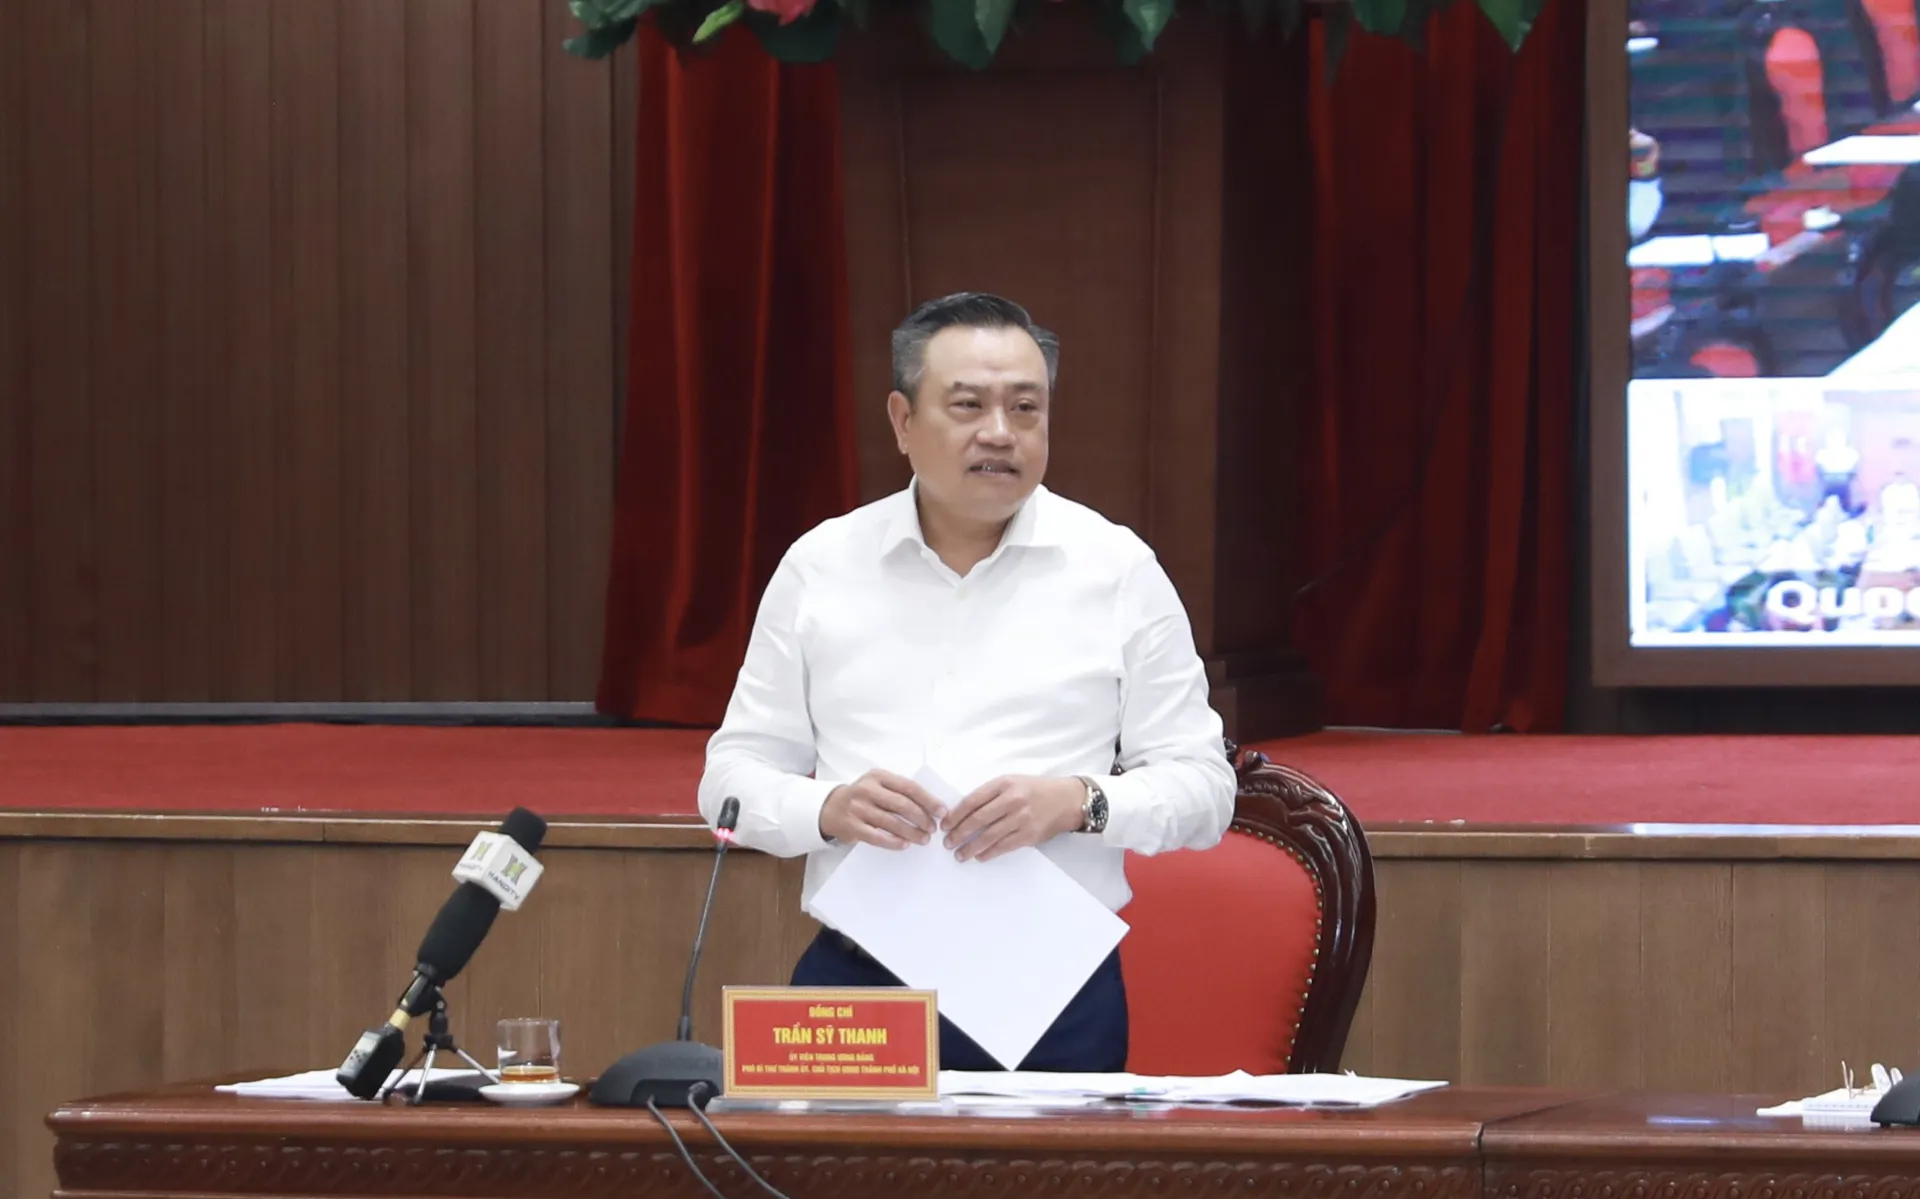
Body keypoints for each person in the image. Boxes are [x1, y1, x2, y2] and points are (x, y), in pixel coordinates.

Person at [696, 291, 1237, 1073]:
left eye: (1026, 407)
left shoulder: (1117, 569)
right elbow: (729, 781)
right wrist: (830, 808)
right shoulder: (822, 566)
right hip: (857, 984)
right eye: (968, 405)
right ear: (902, 421)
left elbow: (1205, 789)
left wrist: (1077, 802)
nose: (1000, 432)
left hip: (1050, 995)